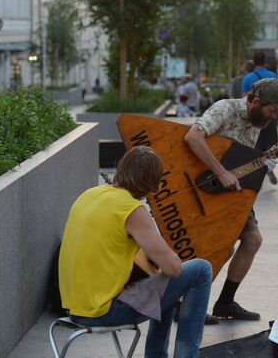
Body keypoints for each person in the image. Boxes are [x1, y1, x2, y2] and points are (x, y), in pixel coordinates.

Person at [59, 146, 212, 358]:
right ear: (152, 182)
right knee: (200, 270)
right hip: (103, 311)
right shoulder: (131, 209)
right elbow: (174, 268)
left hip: (73, 307)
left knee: (164, 284)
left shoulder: (89, 195)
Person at [184, 78, 278, 321]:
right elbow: (193, 137)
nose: (273, 117)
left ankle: (225, 303)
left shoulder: (258, 120)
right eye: (272, 110)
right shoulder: (226, 108)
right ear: (255, 101)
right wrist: (221, 173)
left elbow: (238, 159)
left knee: (252, 240)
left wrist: (262, 161)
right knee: (219, 247)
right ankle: (184, 304)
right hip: (203, 186)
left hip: (231, 192)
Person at [241, 52, 278, 185]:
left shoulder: (248, 78)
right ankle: (267, 164)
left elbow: (244, 99)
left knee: (256, 143)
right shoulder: (273, 76)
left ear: (253, 62)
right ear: (265, 61)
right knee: (272, 142)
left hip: (254, 117)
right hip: (271, 116)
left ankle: (259, 166)